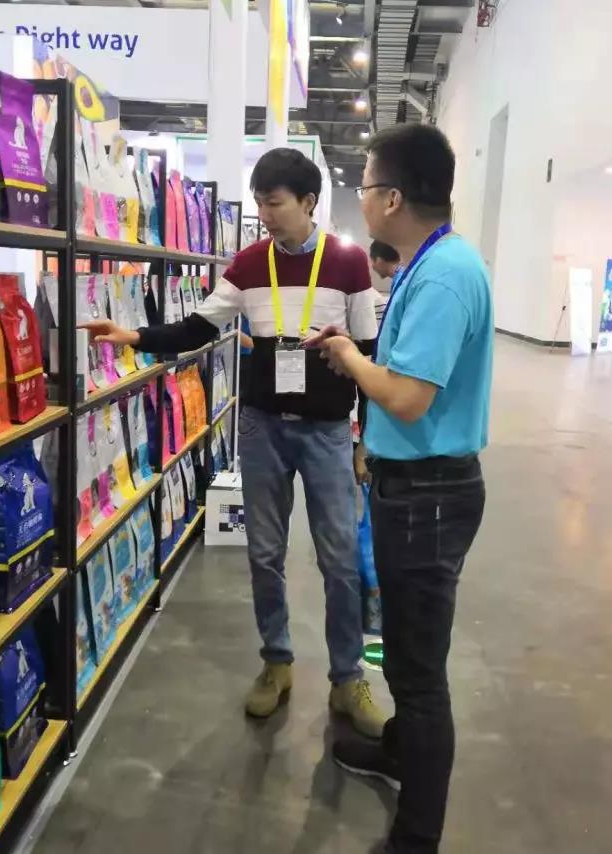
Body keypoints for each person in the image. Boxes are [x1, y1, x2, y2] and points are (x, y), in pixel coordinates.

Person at [82, 147, 386, 739]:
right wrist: (134, 335)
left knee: (339, 559)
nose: (264, 215)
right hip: (263, 429)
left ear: (308, 202)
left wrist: (364, 441)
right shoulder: (248, 264)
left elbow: (368, 355)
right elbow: (198, 326)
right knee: (264, 553)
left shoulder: (349, 263)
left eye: (274, 204)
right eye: (259, 204)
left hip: (327, 432)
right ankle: (277, 662)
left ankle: (348, 678)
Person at [306, 124, 493, 853]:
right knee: (408, 649)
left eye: (363, 185)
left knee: (417, 672)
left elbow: (410, 398)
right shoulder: (429, 263)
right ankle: (397, 754)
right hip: (412, 488)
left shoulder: (443, 275)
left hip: (428, 496)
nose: (360, 198)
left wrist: (349, 356)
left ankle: (417, 834)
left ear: (390, 198)